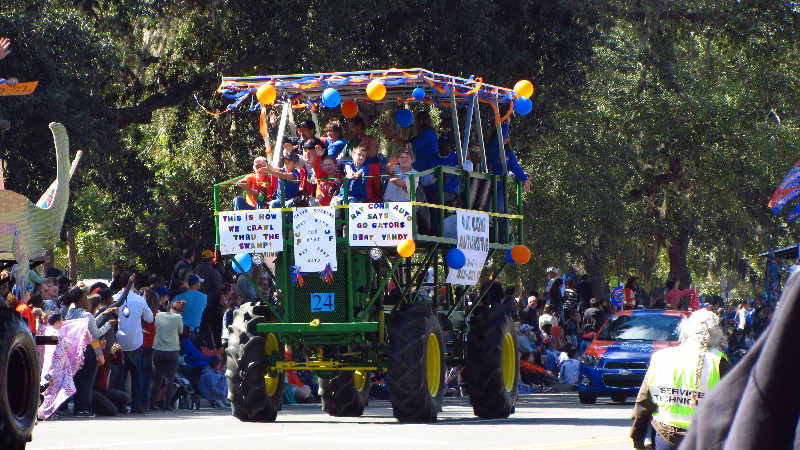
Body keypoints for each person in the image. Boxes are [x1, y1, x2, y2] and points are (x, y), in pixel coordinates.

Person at [630, 309, 731, 449]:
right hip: (704, 439)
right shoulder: (719, 362)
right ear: (716, 332)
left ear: (686, 330)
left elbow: (643, 402)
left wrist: (638, 437)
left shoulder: (661, 357)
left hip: (665, 436)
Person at [64, 287, 117, 417]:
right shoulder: (86, 315)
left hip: (75, 350)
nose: (88, 300)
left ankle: (78, 409)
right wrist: (109, 324)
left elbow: (90, 324)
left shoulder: (70, 313)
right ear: (81, 300)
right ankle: (85, 408)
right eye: (86, 298)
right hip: (88, 350)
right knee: (87, 381)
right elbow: (96, 333)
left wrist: (101, 316)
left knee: (77, 379)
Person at [113, 271, 154, 414]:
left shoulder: (114, 298)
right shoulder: (140, 300)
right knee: (137, 374)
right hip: (135, 341)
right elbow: (149, 318)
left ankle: (120, 404)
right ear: (133, 283)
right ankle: (137, 404)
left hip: (118, 341)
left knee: (119, 374)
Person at [149, 299, 184, 411]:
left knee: (156, 380)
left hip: (158, 350)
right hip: (172, 351)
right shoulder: (178, 317)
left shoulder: (158, 315)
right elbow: (181, 331)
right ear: (180, 311)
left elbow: (155, 328)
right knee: (170, 379)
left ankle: (151, 403)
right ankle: (166, 404)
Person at [92, 336, 130, 416]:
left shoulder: (105, 352)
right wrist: (111, 353)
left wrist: (119, 351)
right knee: (112, 411)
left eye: (104, 339)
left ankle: (110, 405)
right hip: (94, 390)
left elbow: (119, 362)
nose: (104, 342)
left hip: (103, 390)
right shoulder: (94, 353)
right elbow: (103, 363)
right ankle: (94, 408)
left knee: (125, 397)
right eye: (101, 340)